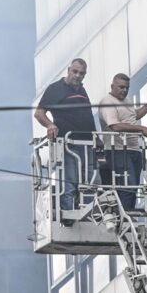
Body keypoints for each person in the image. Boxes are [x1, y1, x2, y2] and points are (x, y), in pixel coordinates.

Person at [34, 58, 97, 226]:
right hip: (69, 144)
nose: (77, 76)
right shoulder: (55, 89)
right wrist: (50, 125)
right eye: (75, 71)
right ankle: (69, 218)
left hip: (87, 144)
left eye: (81, 73)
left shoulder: (82, 90)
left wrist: (97, 138)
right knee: (69, 181)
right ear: (68, 70)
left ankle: (88, 216)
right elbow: (39, 113)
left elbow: (88, 117)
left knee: (89, 182)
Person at [98, 73, 147, 210]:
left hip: (134, 149)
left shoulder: (126, 100)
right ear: (112, 86)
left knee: (134, 186)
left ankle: (129, 213)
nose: (124, 90)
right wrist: (141, 128)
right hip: (118, 150)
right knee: (128, 185)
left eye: (127, 88)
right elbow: (115, 126)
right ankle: (124, 217)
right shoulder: (107, 102)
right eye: (121, 87)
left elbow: (135, 115)